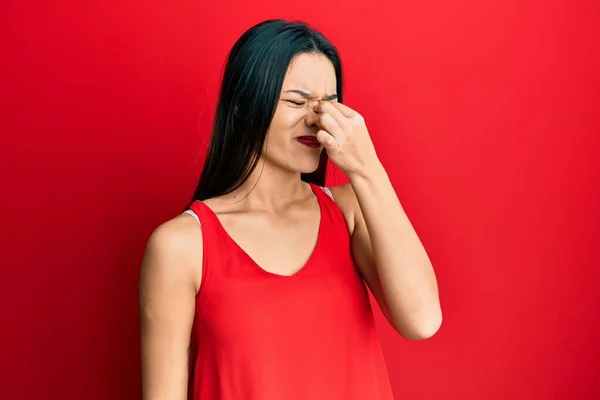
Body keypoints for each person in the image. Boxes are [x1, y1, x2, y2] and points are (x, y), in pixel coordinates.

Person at [139, 19, 442, 400]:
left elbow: (423, 320)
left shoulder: (350, 210)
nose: (316, 119)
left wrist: (368, 169)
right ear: (243, 108)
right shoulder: (182, 245)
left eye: (329, 105)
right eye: (297, 101)